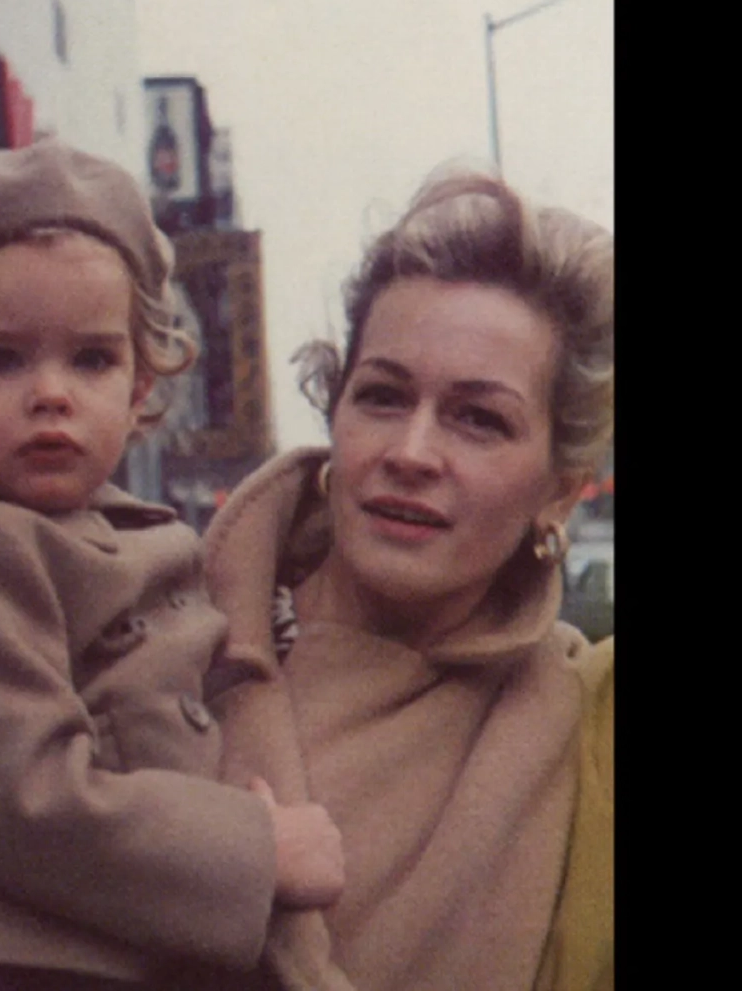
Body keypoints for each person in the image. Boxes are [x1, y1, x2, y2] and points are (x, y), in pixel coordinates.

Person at [0, 139, 345, 991]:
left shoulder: (109, 535)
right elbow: (30, 801)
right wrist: (258, 851)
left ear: (139, 385)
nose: (51, 392)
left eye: (91, 358)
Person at [189, 167, 615, 991]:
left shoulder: (581, 727)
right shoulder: (146, 630)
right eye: (382, 396)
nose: (411, 453)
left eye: (478, 418)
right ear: (335, 412)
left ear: (559, 489)